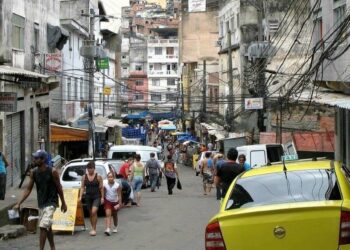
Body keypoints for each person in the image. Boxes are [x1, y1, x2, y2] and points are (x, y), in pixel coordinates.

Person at [13, 150, 67, 250]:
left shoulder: (53, 171)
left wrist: (63, 203)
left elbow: (59, 188)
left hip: (51, 202)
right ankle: (53, 247)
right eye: (34, 157)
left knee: (42, 226)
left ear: (43, 159)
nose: (34, 159)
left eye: (37, 158)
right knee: (47, 226)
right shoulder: (34, 172)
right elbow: (28, 189)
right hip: (42, 203)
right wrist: (19, 202)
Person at [79, 161, 104, 236]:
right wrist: (80, 196)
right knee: (90, 213)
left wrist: (102, 197)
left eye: (91, 168)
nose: (90, 170)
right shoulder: (84, 177)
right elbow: (82, 187)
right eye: (88, 168)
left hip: (96, 196)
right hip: (88, 196)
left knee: (94, 212)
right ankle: (93, 227)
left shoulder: (98, 176)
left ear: (94, 168)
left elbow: (101, 188)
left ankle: (94, 229)